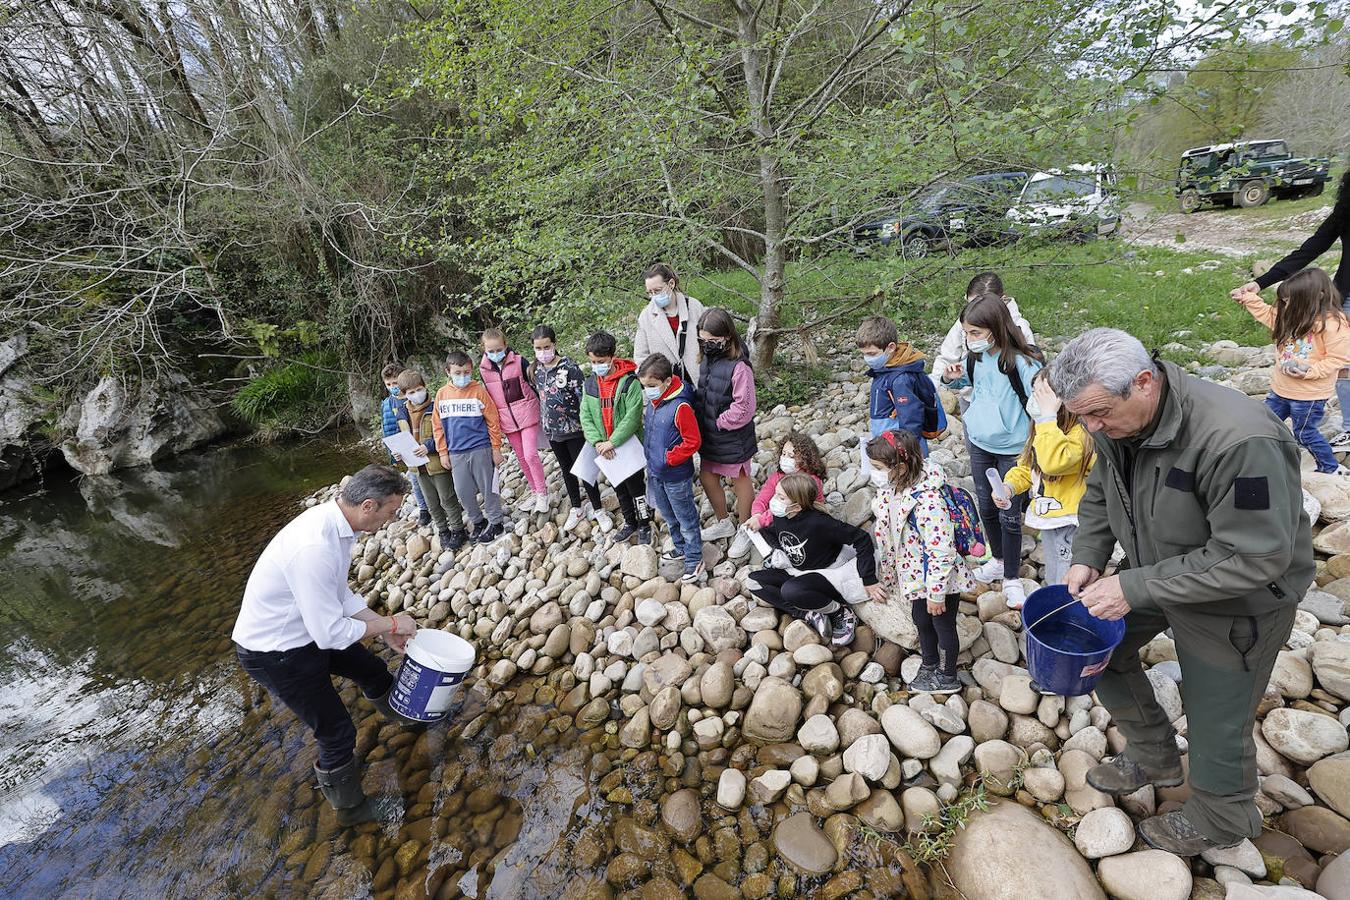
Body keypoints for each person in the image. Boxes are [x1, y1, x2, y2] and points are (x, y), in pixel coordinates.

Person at [1050, 327, 1313, 856]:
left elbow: (1254, 556)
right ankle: (1153, 755)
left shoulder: (1237, 439)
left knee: (1215, 707)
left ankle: (1222, 816)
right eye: (1081, 415)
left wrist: (1133, 585)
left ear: (1143, 382)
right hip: (1159, 570)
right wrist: (1088, 556)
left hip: (1241, 597)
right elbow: (1103, 492)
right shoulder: (1113, 422)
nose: (1090, 427)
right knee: (1099, 651)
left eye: (1098, 414)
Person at [233, 465, 419, 826]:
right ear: (368, 505)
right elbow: (331, 634)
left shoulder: (338, 525)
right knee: (337, 732)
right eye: (391, 511)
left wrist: (380, 629)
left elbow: (338, 595)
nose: (392, 518)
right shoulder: (313, 546)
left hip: (309, 630)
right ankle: (349, 810)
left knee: (371, 670)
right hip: (276, 651)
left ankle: (402, 718)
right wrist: (392, 623)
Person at [1232, 171, 1350, 447]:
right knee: (1343, 365)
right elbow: (1309, 250)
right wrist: (1261, 283)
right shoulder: (1346, 209)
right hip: (1344, 296)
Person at [940, 294, 1044, 608]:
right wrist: (952, 379)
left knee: (1009, 513)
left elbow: (1042, 405)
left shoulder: (1023, 363)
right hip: (980, 442)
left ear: (996, 328)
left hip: (1013, 450)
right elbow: (967, 385)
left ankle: (1012, 578)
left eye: (974, 333)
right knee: (985, 506)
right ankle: (997, 558)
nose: (968, 340)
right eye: (966, 333)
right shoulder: (975, 358)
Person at [865, 430, 975, 693]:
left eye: (878, 468)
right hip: (914, 575)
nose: (874, 473)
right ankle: (929, 664)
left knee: (943, 625)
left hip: (940, 580)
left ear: (901, 467)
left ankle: (947, 676)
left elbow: (941, 551)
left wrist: (936, 594)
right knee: (920, 619)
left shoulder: (928, 500)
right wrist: (891, 576)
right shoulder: (892, 490)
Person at [1233, 268, 1350, 475]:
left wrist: (1310, 371)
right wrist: (1248, 298)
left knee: (1304, 433)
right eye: (1284, 301)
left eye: (1289, 301)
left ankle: (1329, 468)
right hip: (1280, 390)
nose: (1285, 306)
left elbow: (1339, 358)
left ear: (1316, 298)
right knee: (1263, 424)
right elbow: (1268, 314)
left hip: (1309, 396)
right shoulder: (1289, 313)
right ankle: (1263, 462)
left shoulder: (1332, 325)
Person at [747, 473, 877, 646]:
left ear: (797, 506)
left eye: (781, 497)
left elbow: (862, 539)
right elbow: (779, 534)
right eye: (775, 494)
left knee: (789, 591)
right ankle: (810, 613)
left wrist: (869, 580)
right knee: (753, 582)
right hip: (800, 569)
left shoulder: (819, 523)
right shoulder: (780, 515)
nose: (774, 500)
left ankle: (838, 611)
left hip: (827, 574)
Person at [994, 371, 1095, 590]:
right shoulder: (1043, 430)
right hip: (1051, 518)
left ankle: (1065, 616)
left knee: (1068, 580)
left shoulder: (1081, 434)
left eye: (1042, 393)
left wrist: (1047, 419)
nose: (1034, 399)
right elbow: (1028, 467)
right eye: (1033, 392)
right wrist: (1008, 486)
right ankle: (1056, 610)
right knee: (1054, 572)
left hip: (1071, 521)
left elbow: (1053, 462)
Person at [530, 325, 613, 533]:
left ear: (554, 344)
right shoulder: (536, 370)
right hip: (553, 431)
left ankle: (598, 508)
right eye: (538, 348)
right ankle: (576, 507)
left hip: (576, 430)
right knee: (567, 471)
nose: (542, 352)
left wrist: (589, 428)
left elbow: (582, 399)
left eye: (546, 347)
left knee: (585, 470)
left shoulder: (570, 368)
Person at [693, 308, 759, 559]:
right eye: (703, 341)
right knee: (708, 477)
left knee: (740, 480)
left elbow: (745, 406)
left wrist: (720, 422)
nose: (707, 346)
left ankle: (746, 527)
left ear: (727, 337)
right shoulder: (708, 359)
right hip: (709, 433)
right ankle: (723, 521)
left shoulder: (739, 366)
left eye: (713, 341)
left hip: (732, 435)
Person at [638, 354, 705, 583]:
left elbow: (693, 441)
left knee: (686, 517)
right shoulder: (655, 403)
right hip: (656, 472)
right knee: (668, 514)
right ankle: (680, 547)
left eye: (651, 386)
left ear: (667, 382)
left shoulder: (680, 406)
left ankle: (695, 558)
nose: (647, 391)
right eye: (644, 386)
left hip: (675, 474)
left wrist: (670, 457)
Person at [580, 330, 651, 545]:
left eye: (600, 361)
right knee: (619, 486)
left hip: (627, 445)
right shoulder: (590, 384)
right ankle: (630, 521)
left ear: (612, 356)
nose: (596, 366)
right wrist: (598, 442)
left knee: (636, 487)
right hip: (605, 447)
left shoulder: (630, 382)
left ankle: (644, 522)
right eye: (592, 362)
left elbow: (633, 416)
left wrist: (613, 441)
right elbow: (585, 415)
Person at [433, 351, 505, 544]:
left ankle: (496, 522)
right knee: (463, 491)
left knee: (488, 487)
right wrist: (442, 452)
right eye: (458, 372)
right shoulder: (442, 394)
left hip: (480, 448)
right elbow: (437, 426)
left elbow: (493, 420)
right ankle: (477, 521)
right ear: (448, 371)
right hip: (456, 452)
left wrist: (496, 448)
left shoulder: (479, 391)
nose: (463, 376)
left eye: (466, 372)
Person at [395, 369, 470, 551]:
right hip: (417, 467)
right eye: (411, 392)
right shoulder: (402, 412)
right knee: (431, 502)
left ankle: (458, 529)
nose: (416, 395)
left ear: (424, 387)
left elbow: (447, 433)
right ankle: (443, 530)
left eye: (418, 389)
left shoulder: (435, 406)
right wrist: (399, 454)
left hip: (437, 463)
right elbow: (402, 437)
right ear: (404, 395)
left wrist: (428, 447)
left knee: (447, 498)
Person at [931, 272, 1036, 402]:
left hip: (1008, 402)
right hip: (972, 398)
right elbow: (947, 356)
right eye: (972, 304)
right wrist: (934, 387)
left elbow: (1033, 383)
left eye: (975, 333)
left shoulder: (1020, 328)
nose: (977, 310)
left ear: (1001, 300)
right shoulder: (964, 323)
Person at [479, 329, 549, 514]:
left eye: (498, 349)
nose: (495, 354)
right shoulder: (483, 370)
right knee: (521, 458)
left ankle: (542, 493)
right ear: (484, 350)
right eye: (490, 351)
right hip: (507, 421)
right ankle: (534, 491)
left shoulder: (519, 361)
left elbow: (535, 383)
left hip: (527, 413)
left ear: (505, 345)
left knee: (530, 455)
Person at [856, 314, 943, 454]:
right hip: (888, 442)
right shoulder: (884, 369)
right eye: (864, 354)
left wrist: (907, 452)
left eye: (872, 354)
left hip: (901, 447)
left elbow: (911, 418)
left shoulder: (900, 379)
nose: (867, 359)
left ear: (890, 347)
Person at [635, 262, 706, 387]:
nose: (653, 297)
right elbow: (641, 358)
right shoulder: (646, 316)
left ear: (671, 284)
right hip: (667, 388)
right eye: (649, 293)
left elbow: (708, 344)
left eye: (657, 291)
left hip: (699, 383)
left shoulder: (694, 307)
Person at [381, 363, 430, 526]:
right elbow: (387, 429)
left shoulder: (414, 397)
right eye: (388, 385)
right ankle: (424, 509)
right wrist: (393, 452)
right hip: (405, 448)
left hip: (424, 444)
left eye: (395, 383)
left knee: (432, 474)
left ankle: (437, 504)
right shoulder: (387, 404)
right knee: (415, 480)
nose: (392, 387)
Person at [747, 430, 827, 530]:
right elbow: (762, 499)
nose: (785, 458)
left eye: (791, 456)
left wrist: (762, 520)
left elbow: (791, 508)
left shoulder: (810, 480)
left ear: (805, 459)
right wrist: (756, 515)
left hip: (806, 519)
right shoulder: (777, 476)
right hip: (783, 516)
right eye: (783, 454)